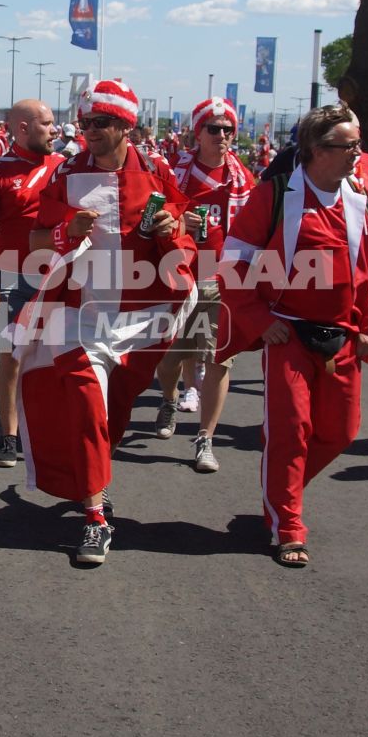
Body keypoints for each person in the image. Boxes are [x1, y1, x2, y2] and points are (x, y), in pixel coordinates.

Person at [18, 80, 195, 566]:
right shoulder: (65, 173)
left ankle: (93, 479)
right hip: (80, 315)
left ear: (124, 125)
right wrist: (62, 231)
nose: (88, 132)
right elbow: (35, 239)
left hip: (145, 316)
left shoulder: (157, 171)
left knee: (115, 411)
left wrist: (172, 229)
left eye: (99, 123)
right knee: (85, 404)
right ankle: (96, 518)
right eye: (84, 123)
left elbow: (184, 228)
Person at [217, 104, 368, 566]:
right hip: (287, 333)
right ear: (317, 151)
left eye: (358, 143)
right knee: (292, 430)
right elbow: (232, 264)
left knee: (340, 432)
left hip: (345, 335)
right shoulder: (275, 195)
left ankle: (281, 495)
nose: (358, 153)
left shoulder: (363, 196)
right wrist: (258, 320)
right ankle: (288, 523)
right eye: (348, 145)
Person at [154, 97, 257, 472]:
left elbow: (254, 229)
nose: (222, 136)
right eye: (213, 129)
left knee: (219, 359)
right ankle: (168, 398)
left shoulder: (241, 177)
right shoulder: (175, 170)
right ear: (198, 132)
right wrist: (177, 221)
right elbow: (150, 216)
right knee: (168, 359)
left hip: (220, 276)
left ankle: (205, 439)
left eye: (228, 129)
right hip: (176, 274)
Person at [0, 97, 61, 469]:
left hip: (58, 278)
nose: (55, 130)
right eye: (47, 123)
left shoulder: (64, 168)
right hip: (11, 277)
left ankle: (46, 432)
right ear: (23, 128)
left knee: (57, 358)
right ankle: (9, 438)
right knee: (12, 359)